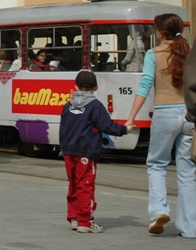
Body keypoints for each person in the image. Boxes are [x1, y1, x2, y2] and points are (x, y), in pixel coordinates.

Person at [126, 13, 196, 238]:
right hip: (189, 116)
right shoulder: (190, 52)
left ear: (161, 31)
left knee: (157, 163)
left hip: (165, 115)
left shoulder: (153, 53)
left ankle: (159, 211)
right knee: (188, 171)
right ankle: (189, 228)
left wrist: (131, 117)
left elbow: (145, 85)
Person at [60, 71, 132, 233]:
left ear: (75, 86)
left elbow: (63, 128)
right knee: (86, 185)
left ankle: (74, 217)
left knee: (73, 184)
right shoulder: (95, 106)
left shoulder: (68, 105)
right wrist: (125, 130)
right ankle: (85, 222)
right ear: (96, 87)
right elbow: (107, 126)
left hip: (68, 151)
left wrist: (63, 148)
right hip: (86, 152)